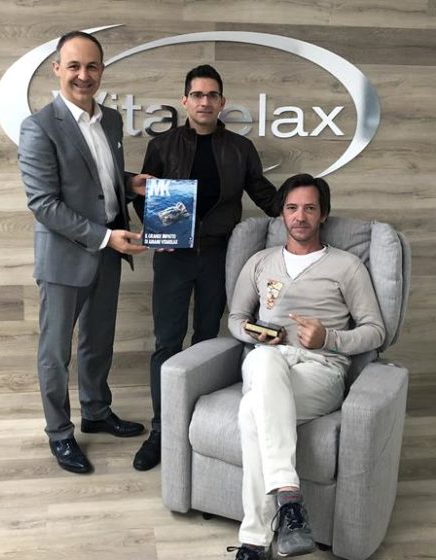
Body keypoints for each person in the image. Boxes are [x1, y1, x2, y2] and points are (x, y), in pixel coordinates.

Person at [226, 174, 385, 559]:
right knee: (265, 359)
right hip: (267, 361)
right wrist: (256, 333)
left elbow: (376, 331)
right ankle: (289, 501)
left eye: (310, 208)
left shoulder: (347, 266)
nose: (300, 217)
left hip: (321, 370)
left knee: (251, 413)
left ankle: (254, 542)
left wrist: (329, 338)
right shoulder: (260, 262)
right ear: (282, 214)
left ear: (323, 214)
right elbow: (236, 319)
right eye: (292, 208)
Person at [132, 64, 279, 471]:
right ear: (185, 101)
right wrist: (156, 232)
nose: (204, 101)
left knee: (206, 340)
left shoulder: (240, 149)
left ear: (222, 101)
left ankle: (195, 424)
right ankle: (161, 428)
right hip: (173, 258)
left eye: (212, 95)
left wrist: (301, 207)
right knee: (167, 342)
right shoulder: (162, 145)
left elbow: (264, 194)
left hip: (219, 256)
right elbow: (144, 195)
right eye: (197, 95)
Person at [17, 30, 149, 475]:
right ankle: (59, 433)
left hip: (109, 250)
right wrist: (105, 237)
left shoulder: (110, 121)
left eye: (92, 66)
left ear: (102, 70)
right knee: (55, 352)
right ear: (57, 68)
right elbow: (44, 203)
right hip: (66, 256)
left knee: (98, 340)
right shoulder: (39, 127)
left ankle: (96, 411)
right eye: (73, 65)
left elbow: (97, 178)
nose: (83, 75)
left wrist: (129, 182)